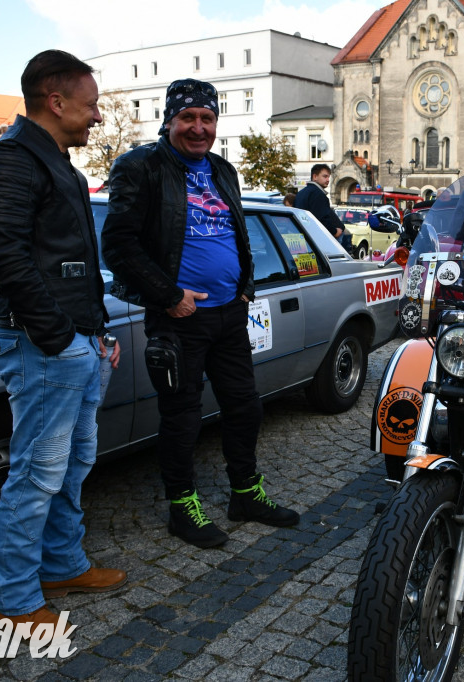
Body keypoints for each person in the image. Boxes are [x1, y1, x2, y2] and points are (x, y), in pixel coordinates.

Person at [102, 78, 299, 548]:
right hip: (179, 318)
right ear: (169, 120)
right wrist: (169, 295)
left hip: (230, 313)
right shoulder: (140, 167)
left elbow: (237, 233)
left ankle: (246, 494)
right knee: (182, 416)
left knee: (244, 406)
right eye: (187, 118)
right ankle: (182, 507)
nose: (198, 127)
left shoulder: (222, 170)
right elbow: (119, 243)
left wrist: (245, 286)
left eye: (206, 118)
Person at [0, 49, 126, 634]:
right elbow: (4, 259)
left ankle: (62, 564)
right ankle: (14, 599)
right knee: (37, 472)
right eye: (90, 106)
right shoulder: (11, 161)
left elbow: (70, 261)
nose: (96, 118)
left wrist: (94, 331)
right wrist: (62, 337)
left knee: (73, 463)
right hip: (43, 347)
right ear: (55, 100)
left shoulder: (56, 160)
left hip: (76, 342)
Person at [295, 163, 351, 251]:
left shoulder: (301, 193)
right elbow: (322, 219)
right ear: (315, 176)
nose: (328, 180)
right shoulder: (318, 194)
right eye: (325, 176)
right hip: (319, 241)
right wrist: (335, 231)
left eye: (329, 177)